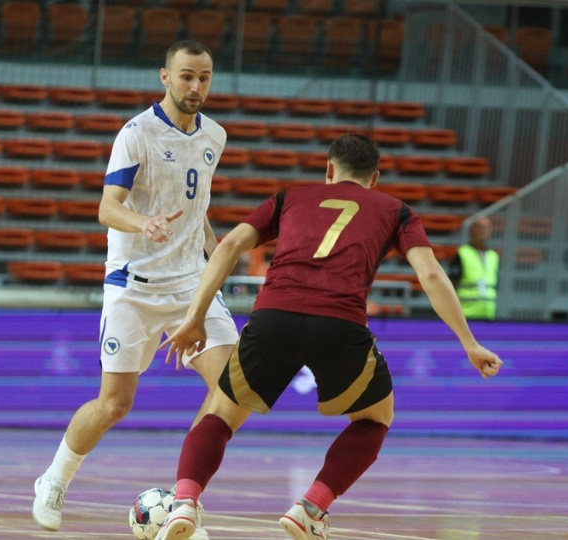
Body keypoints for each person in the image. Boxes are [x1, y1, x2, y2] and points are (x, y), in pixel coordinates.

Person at [154, 134, 503, 540]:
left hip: (274, 316)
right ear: (374, 178)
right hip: (339, 322)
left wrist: (195, 316)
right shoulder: (397, 210)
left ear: (328, 170)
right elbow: (429, 274)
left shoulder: (290, 197)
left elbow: (230, 244)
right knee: (376, 418)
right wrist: (469, 342)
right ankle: (310, 508)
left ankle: (183, 503)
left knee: (220, 413)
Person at [32, 41, 238, 540]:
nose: (196, 87)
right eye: (186, 76)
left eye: (204, 77)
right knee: (115, 404)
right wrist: (144, 224)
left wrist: (212, 252)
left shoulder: (215, 134)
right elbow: (107, 207)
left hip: (190, 283)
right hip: (134, 285)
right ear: (164, 77)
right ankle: (54, 479)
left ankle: (184, 501)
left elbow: (196, 203)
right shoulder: (135, 134)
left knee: (233, 386)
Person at [448, 216, 499, 320]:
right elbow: (452, 283)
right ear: (471, 231)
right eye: (479, 227)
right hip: (466, 311)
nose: (483, 231)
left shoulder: (494, 256)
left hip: (488, 311)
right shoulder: (462, 253)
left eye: (487, 228)